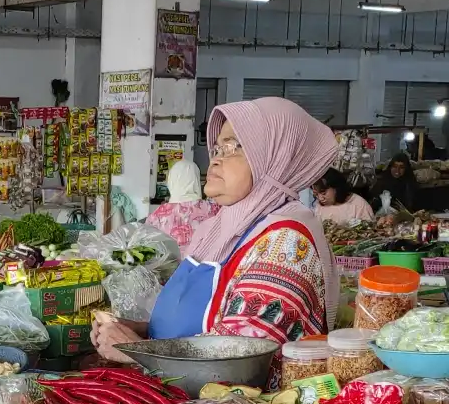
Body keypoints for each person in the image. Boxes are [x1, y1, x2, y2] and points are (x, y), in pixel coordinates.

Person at [92, 97, 339, 358]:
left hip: (230, 398)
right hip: (180, 392)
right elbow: (203, 328)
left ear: (275, 157)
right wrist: (144, 332)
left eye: (234, 147)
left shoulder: (288, 242)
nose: (216, 160)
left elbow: (240, 358)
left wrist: (135, 352)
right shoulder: (220, 228)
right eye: (218, 148)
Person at [146, 158, 218, 249]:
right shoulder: (211, 208)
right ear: (196, 180)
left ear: (171, 180)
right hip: (204, 261)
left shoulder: (157, 215)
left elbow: (148, 244)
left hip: (170, 262)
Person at [311, 169, 375, 223]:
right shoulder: (319, 207)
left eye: (324, 193)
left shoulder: (358, 205)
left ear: (336, 188)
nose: (320, 199)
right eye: (316, 194)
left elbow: (370, 232)